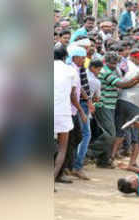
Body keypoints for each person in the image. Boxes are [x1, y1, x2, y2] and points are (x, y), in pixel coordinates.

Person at [92, 52, 139, 168]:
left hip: (111, 105)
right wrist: (137, 78)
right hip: (104, 105)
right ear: (106, 62)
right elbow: (121, 85)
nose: (113, 65)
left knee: (110, 134)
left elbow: (124, 85)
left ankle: (103, 161)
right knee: (110, 135)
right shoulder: (105, 72)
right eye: (111, 63)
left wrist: (137, 80)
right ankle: (90, 152)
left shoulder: (112, 70)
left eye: (115, 63)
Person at [54, 45, 87, 185]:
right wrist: (81, 111)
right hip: (62, 112)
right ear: (65, 57)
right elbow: (73, 95)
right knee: (62, 149)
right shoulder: (70, 70)